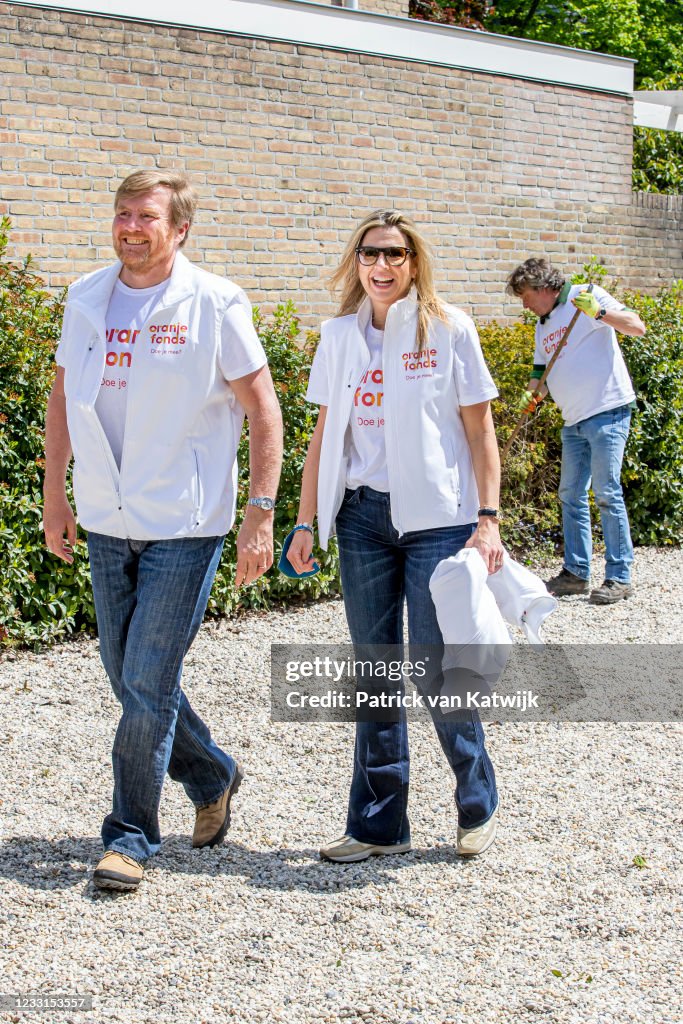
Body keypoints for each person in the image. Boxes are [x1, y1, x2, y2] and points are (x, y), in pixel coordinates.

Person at [43, 170, 283, 891]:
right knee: (129, 679)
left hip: (184, 519)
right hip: (105, 514)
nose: (131, 228)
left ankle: (130, 838)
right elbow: (62, 401)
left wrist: (259, 514)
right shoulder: (86, 297)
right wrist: (53, 495)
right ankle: (212, 774)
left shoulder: (214, 302)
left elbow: (263, 411)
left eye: (147, 217)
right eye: (122, 214)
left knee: (147, 683)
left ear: (179, 230)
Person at [287, 210, 502, 862]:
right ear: (356, 263)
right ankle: (378, 826)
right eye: (369, 255)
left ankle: (474, 800)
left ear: (413, 264)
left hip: (438, 522)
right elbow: (324, 436)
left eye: (394, 255)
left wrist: (487, 520)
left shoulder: (447, 328)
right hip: (361, 520)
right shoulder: (337, 336)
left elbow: (478, 431)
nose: (381, 267)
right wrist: (304, 519)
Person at [506, 258, 646, 605]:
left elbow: (636, 326)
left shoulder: (588, 294)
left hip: (607, 411)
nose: (524, 304)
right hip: (574, 420)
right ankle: (576, 573)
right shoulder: (543, 324)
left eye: (525, 295)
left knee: (607, 493)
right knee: (570, 495)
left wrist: (599, 313)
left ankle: (619, 576)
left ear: (543, 288)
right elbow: (542, 369)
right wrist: (532, 392)